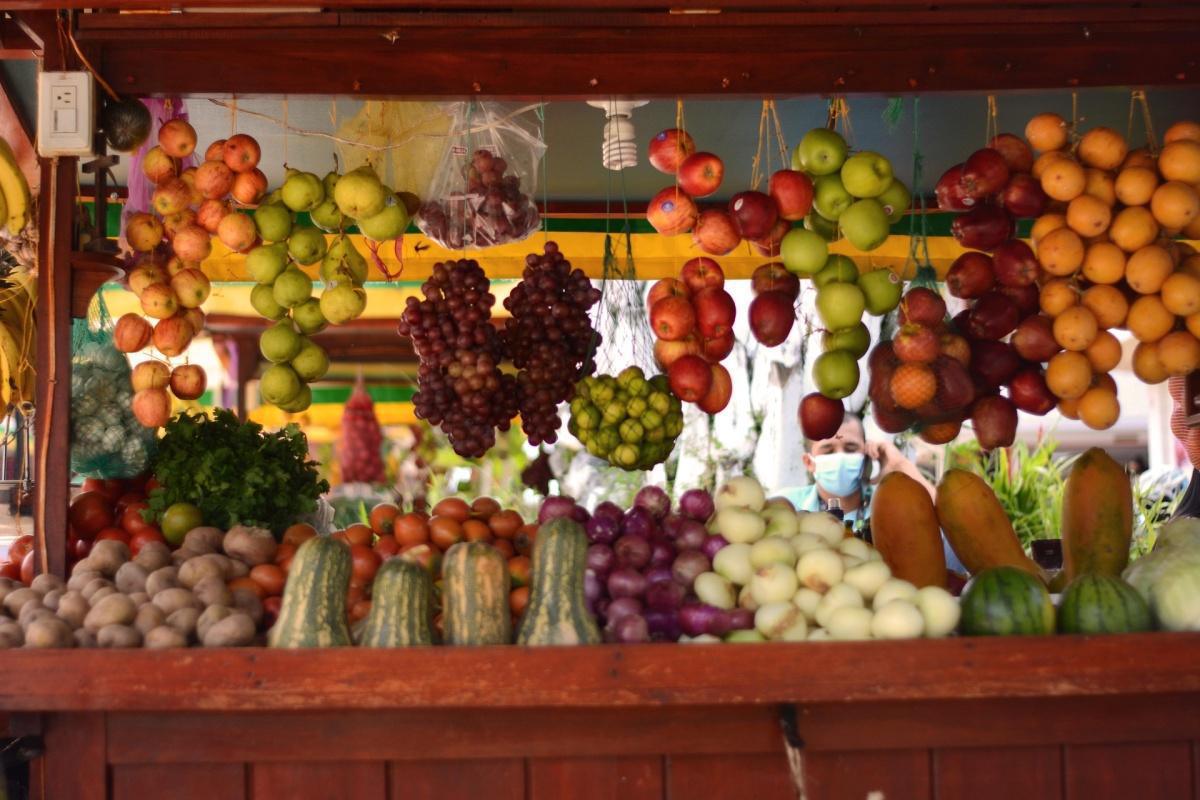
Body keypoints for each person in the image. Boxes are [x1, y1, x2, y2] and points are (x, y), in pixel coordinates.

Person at [779, 412, 934, 525]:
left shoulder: (891, 507)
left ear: (865, 453)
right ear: (808, 462)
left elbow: (948, 523)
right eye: (828, 450)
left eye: (851, 448)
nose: (840, 457)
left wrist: (900, 465)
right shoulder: (786, 506)